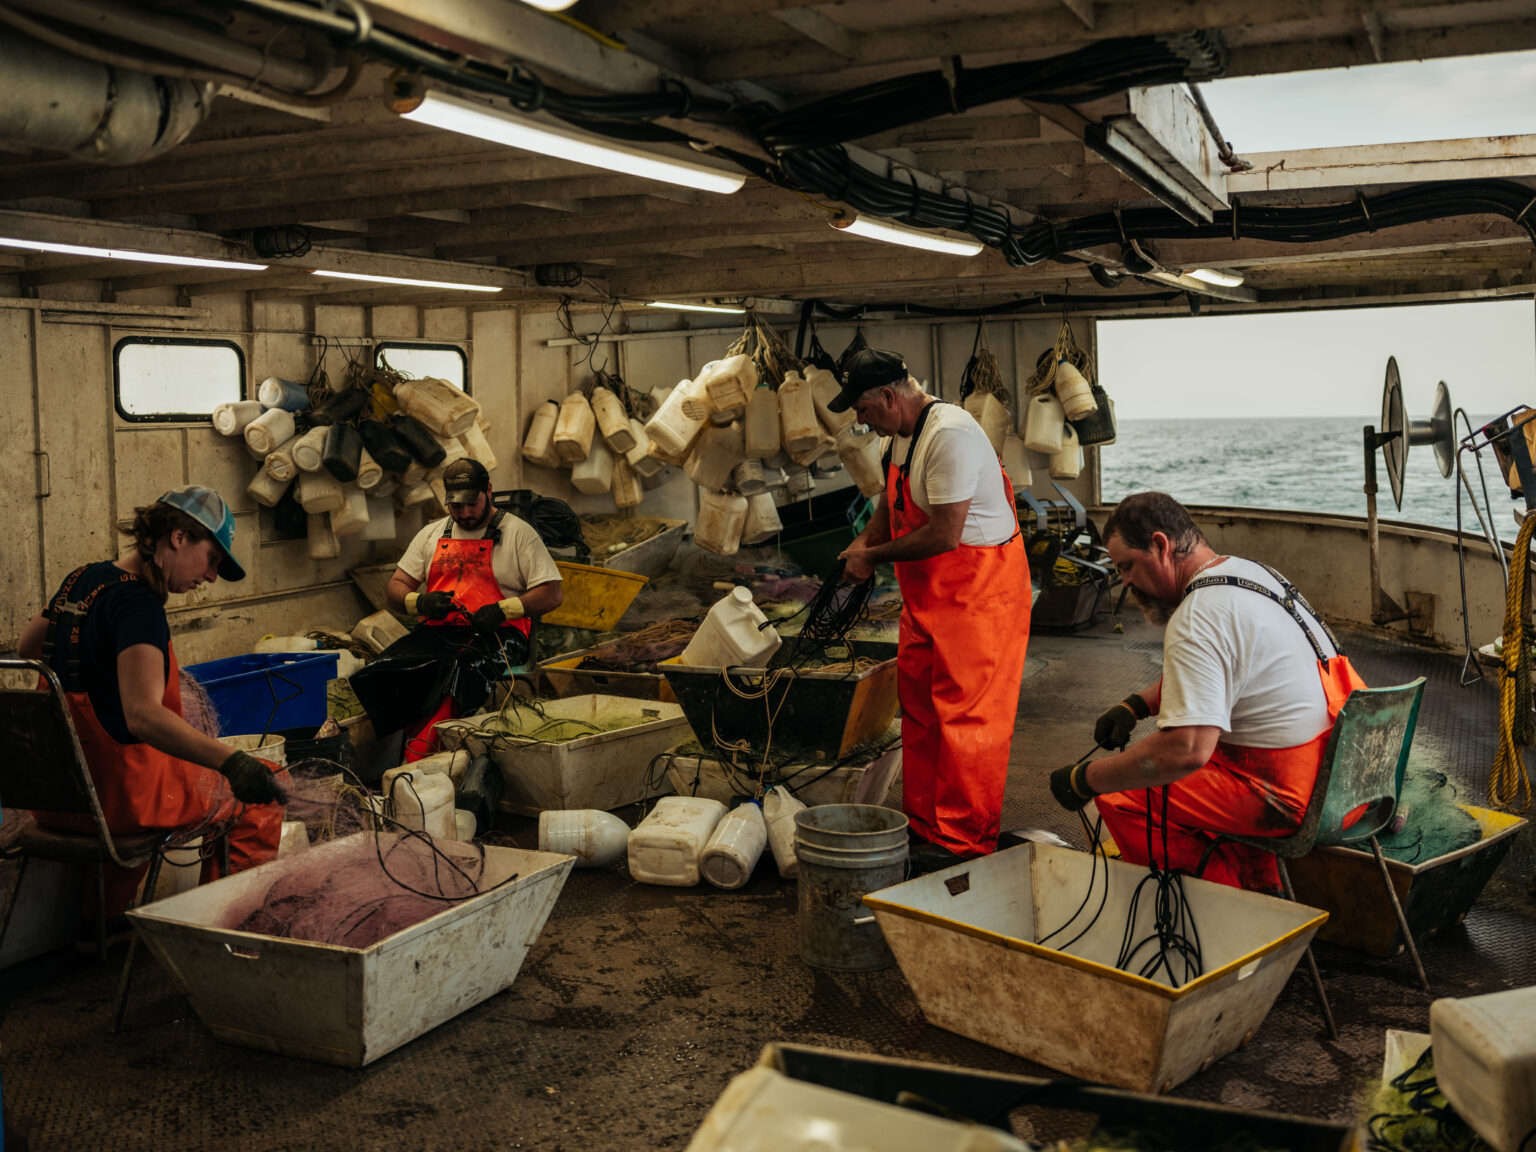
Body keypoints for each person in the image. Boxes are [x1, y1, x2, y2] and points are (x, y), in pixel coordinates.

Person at [1049, 491, 1368, 892]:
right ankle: (1261, 881)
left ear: (1160, 545)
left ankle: (1226, 916)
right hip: (1352, 779)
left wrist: (1085, 778)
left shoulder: (1198, 616)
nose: (1126, 581)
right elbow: (1226, 670)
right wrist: (1138, 705)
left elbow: (1184, 752)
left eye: (1127, 566)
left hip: (1294, 798)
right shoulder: (1253, 575)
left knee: (1121, 797)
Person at [16, 485, 288, 919]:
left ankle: (98, 927)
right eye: (212, 559)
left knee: (162, 785)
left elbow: (27, 651)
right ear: (178, 536)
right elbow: (142, 717)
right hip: (117, 804)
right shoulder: (139, 605)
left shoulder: (81, 580)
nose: (211, 576)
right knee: (264, 791)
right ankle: (229, 930)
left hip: (56, 801)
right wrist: (231, 762)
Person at [833, 348, 1032, 871]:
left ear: (889, 397)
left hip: (979, 595)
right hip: (927, 599)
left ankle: (963, 842)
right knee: (919, 710)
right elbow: (888, 503)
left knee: (968, 721)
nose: (858, 418)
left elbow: (944, 534)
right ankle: (924, 828)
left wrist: (874, 556)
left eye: (862, 407)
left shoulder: (951, 434)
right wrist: (864, 543)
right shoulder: (896, 436)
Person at [354, 458, 563, 759]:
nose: (464, 514)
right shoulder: (432, 534)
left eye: (471, 504)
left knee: (454, 671)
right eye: (456, 506)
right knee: (384, 667)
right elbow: (394, 589)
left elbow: (552, 593)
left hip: (500, 635)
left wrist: (505, 609)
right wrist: (419, 601)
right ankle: (396, 753)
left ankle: (423, 756)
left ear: (488, 491)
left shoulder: (519, 534)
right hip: (438, 633)